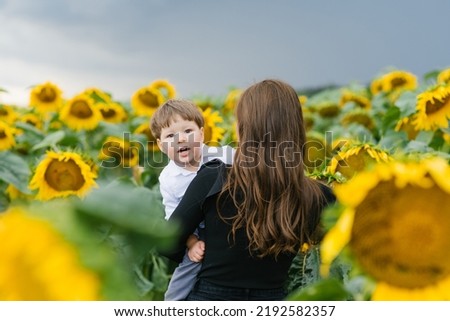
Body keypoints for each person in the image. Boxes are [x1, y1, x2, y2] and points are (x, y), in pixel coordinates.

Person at [162, 79, 336, 300]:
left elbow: (166, 241)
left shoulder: (214, 177)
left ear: (244, 127)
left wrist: (195, 247)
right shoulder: (320, 196)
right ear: (296, 128)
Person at [150, 98, 234, 301]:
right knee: (180, 283)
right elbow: (174, 219)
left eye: (188, 131)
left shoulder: (225, 156)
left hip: (230, 226)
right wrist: (192, 242)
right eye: (171, 136)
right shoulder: (169, 178)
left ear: (202, 134)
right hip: (198, 233)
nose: (181, 139)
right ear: (161, 146)